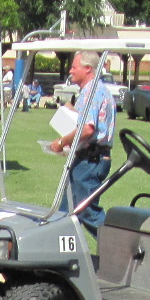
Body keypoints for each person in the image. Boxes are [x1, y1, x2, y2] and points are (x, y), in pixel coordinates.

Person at [47, 50, 116, 238]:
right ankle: (58, 255)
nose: (70, 70)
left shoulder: (92, 92)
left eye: (74, 67)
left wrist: (62, 142)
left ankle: (118, 249)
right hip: (87, 157)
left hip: (91, 160)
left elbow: (87, 129)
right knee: (65, 212)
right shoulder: (94, 91)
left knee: (86, 210)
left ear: (88, 69)